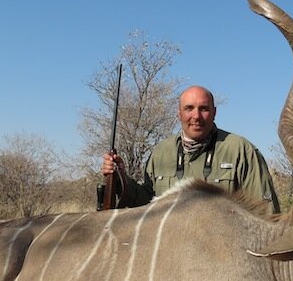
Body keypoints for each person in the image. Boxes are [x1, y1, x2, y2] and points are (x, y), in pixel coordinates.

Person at [101, 85, 280, 214]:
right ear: (179, 114)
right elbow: (147, 203)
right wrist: (121, 179)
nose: (196, 116)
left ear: (214, 112)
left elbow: (266, 213)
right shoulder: (161, 152)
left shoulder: (241, 151)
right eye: (189, 109)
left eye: (204, 109)